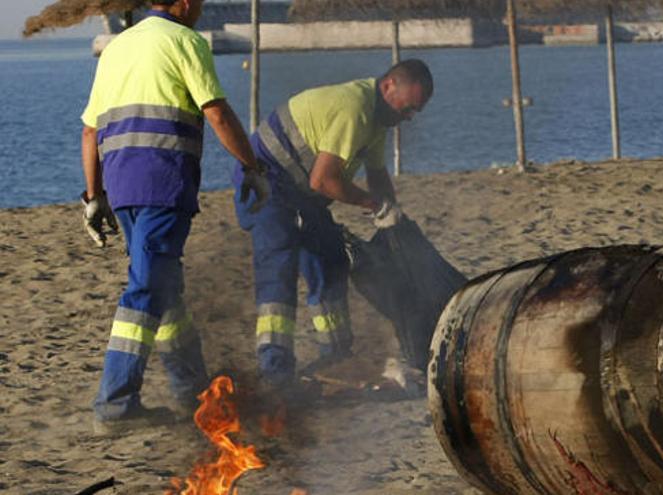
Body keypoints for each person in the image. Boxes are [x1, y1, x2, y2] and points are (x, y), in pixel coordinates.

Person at [80, 0, 270, 434]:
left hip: (122, 186)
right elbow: (217, 112)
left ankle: (193, 391)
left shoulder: (117, 47)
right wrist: (253, 168)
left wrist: (93, 197)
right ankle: (115, 404)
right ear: (184, 3)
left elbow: (91, 130)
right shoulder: (185, 41)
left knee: (166, 287)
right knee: (145, 289)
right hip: (163, 184)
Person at [232, 59, 433, 398]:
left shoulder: (378, 119)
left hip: (301, 192)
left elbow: (377, 173)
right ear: (388, 86)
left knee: (330, 260)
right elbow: (324, 179)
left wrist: (393, 212)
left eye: (415, 112)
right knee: (279, 271)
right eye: (408, 108)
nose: (409, 117)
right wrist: (372, 204)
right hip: (266, 182)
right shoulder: (354, 108)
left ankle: (336, 356)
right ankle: (275, 373)